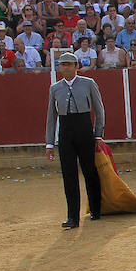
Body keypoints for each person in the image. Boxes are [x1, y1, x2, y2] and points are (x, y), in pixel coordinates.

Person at [44, 51, 104, 228]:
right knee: (68, 175)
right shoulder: (55, 88)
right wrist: (49, 143)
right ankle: (72, 217)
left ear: (76, 67)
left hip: (85, 130)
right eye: (63, 65)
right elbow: (51, 116)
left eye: (69, 64)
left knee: (90, 171)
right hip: (65, 132)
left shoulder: (88, 83)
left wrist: (98, 134)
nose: (65, 67)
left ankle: (96, 209)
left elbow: (99, 110)